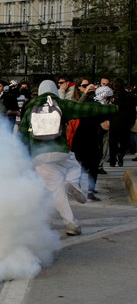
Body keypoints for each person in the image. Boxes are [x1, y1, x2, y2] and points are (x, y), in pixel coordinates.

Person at [19, 80, 118, 236]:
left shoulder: (30, 108)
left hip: (40, 156)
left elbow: (22, 135)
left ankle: (71, 224)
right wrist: (113, 108)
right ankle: (71, 182)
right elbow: (85, 109)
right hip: (61, 150)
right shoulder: (60, 104)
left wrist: (25, 159)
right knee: (74, 166)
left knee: (56, 192)